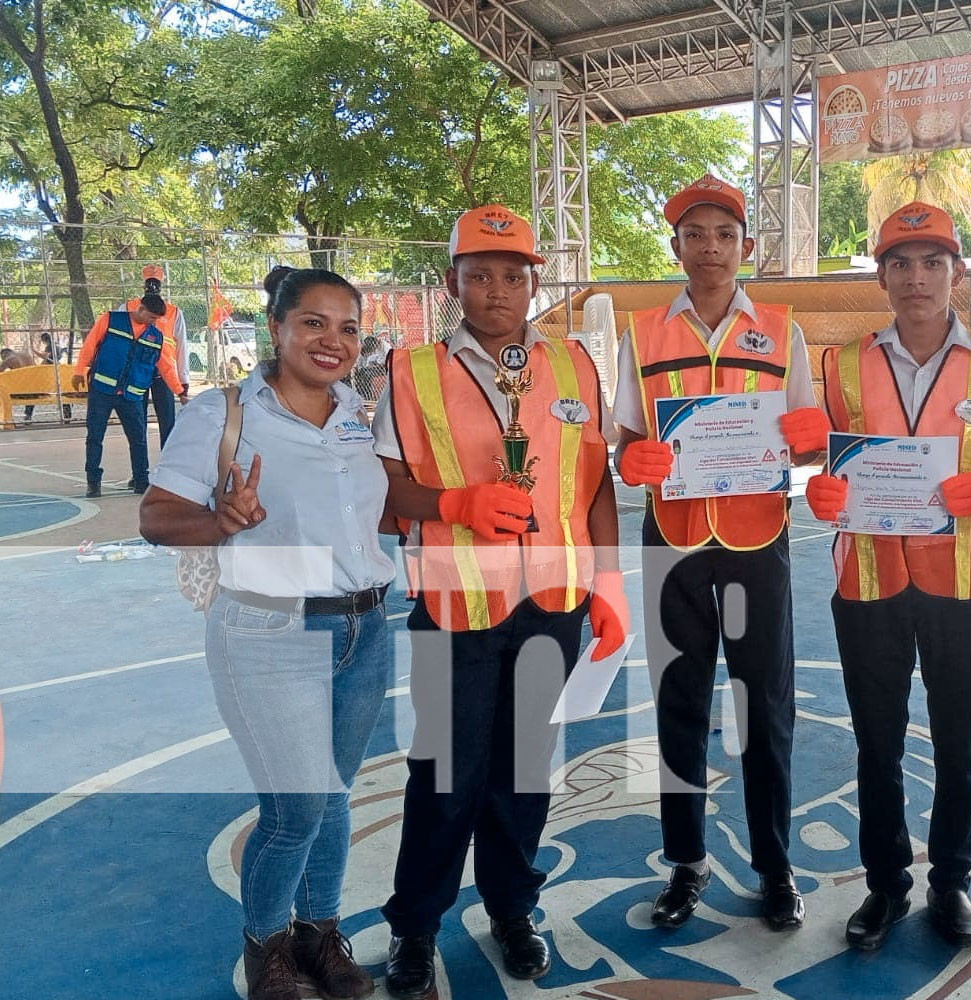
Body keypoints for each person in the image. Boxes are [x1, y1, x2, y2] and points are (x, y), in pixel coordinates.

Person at [374, 204, 626, 995]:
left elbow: (595, 481)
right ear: (453, 282)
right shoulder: (409, 371)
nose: (495, 290)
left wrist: (610, 580)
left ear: (533, 284)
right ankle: (415, 926)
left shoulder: (576, 367)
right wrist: (455, 504)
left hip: (553, 601)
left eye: (511, 275)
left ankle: (513, 908)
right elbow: (382, 489)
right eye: (477, 275)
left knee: (524, 772)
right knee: (446, 775)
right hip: (456, 604)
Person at [140, 267, 395, 1000]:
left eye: (348, 327)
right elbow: (156, 517)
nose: (332, 341)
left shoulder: (355, 412)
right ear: (276, 326)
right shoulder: (224, 413)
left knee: (336, 794)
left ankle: (321, 936)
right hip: (270, 627)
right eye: (313, 322)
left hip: (364, 627)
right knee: (297, 807)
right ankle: (268, 947)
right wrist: (220, 521)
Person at [801, 203, 971, 951]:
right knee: (877, 741)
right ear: (882, 277)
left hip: (963, 577)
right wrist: (820, 487)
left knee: (959, 739)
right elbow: (819, 457)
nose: (917, 277)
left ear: (958, 273)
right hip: (867, 578)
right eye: (901, 262)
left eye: (933, 261)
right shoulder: (840, 364)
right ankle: (886, 886)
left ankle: (952, 883)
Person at [611, 174, 828, 932]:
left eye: (724, 234)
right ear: (675, 245)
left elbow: (807, 430)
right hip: (671, 538)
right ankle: (686, 862)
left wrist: (810, 441)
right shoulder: (641, 332)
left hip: (756, 536)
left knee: (765, 705)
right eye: (695, 234)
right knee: (679, 700)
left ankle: (774, 866)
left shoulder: (782, 327)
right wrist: (632, 458)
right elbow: (629, 435)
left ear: (746, 246)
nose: (710, 248)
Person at [72, 293, 186, 496]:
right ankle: (93, 482)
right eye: (151, 317)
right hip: (102, 391)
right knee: (95, 437)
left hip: (131, 395)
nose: (154, 322)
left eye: (156, 319)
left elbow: (166, 367)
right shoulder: (110, 319)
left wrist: (179, 391)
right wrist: (79, 370)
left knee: (138, 439)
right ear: (140, 309)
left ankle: (141, 480)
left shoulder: (155, 336)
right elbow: (90, 344)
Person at [129, 265, 191, 445]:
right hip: (137, 372)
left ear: (161, 285)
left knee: (168, 424)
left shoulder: (174, 312)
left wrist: (183, 379)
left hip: (164, 374)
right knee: (137, 425)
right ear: (143, 284)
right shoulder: (128, 308)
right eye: (149, 282)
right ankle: (141, 472)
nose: (152, 286)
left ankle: (167, 469)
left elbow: (181, 347)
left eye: (155, 283)